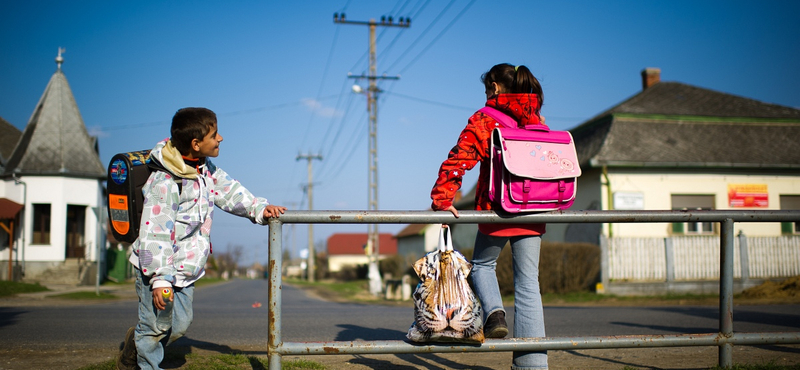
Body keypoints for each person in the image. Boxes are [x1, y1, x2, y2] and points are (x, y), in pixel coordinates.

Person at [117, 107, 286, 370]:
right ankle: (144, 362)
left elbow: (229, 192)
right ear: (196, 144)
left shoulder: (204, 169)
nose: (221, 139)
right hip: (158, 267)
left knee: (180, 325)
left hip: (186, 266)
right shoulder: (165, 183)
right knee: (154, 327)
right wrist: (160, 278)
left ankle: (136, 344)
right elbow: (155, 233)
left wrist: (259, 209)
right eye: (214, 134)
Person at [430, 63, 548, 369]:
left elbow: (460, 158)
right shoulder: (537, 120)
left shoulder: (486, 119)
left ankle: (495, 313)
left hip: (498, 208)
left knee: (482, 265)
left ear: (495, 87)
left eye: (487, 89)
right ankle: (532, 365)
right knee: (528, 285)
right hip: (534, 209)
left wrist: (443, 198)